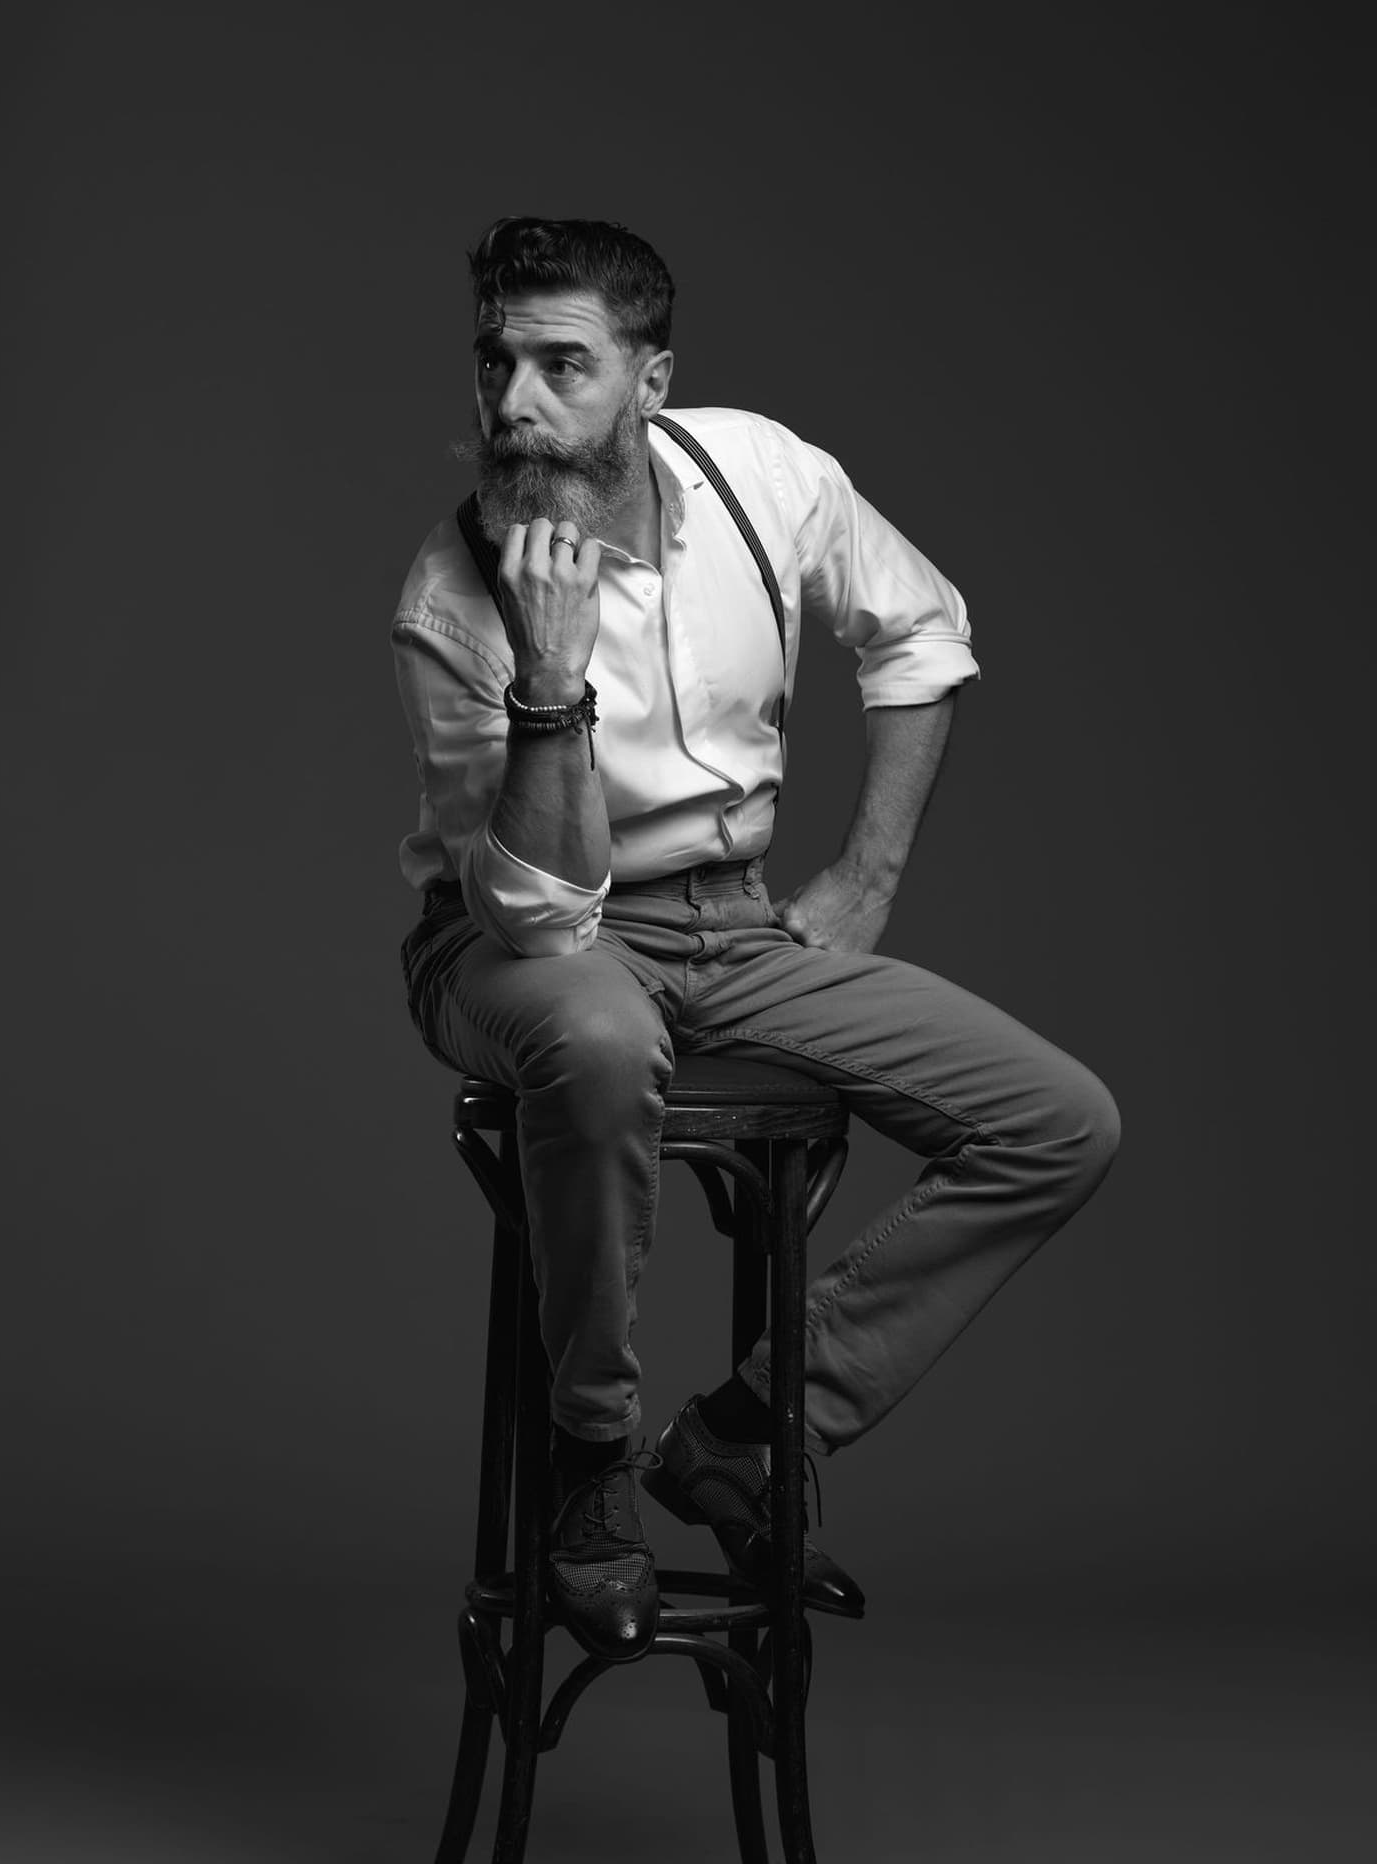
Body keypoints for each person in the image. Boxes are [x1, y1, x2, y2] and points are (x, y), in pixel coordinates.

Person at [394, 217, 1120, 1664]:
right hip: (508, 940)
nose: (515, 403)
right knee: (598, 1033)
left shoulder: (763, 477)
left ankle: (747, 1430)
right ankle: (588, 1458)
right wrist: (550, 676)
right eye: (495, 363)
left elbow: (920, 633)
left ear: (650, 379)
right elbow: (540, 919)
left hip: (733, 927)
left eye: (561, 365)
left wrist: (867, 873)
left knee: (1057, 1121)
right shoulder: (451, 600)